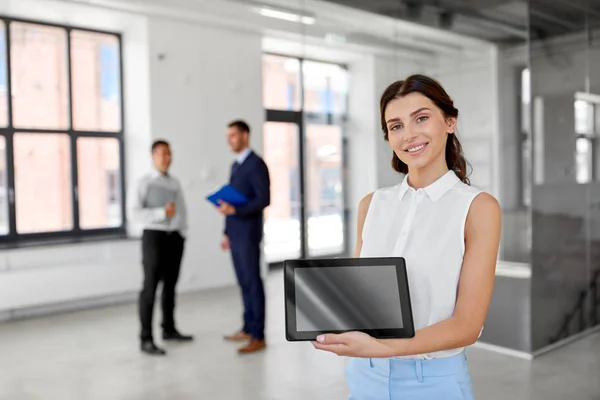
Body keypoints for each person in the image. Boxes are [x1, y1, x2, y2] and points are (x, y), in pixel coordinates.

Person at [312, 74, 501, 399]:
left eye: (422, 118)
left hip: (432, 381)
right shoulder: (371, 205)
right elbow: (363, 298)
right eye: (396, 126)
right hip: (364, 373)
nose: (409, 134)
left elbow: (467, 325)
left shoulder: (478, 208)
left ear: (450, 121)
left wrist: (385, 348)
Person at [129, 140, 193, 356]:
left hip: (174, 238)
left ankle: (169, 329)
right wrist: (160, 214)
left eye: (169, 154)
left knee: (170, 287)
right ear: (153, 156)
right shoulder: (143, 182)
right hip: (154, 237)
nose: (167, 158)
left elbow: (181, 210)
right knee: (150, 288)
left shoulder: (174, 183)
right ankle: (146, 338)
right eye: (162, 154)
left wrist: (182, 232)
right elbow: (135, 214)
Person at [216, 120, 270, 354]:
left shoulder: (256, 164)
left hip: (248, 234)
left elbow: (263, 199)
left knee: (252, 282)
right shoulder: (236, 166)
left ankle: (258, 336)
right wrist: (226, 231)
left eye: (234, 135)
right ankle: (248, 328)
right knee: (243, 283)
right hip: (235, 234)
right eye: (228, 136)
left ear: (245, 136)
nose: (230, 140)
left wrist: (236, 210)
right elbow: (232, 200)